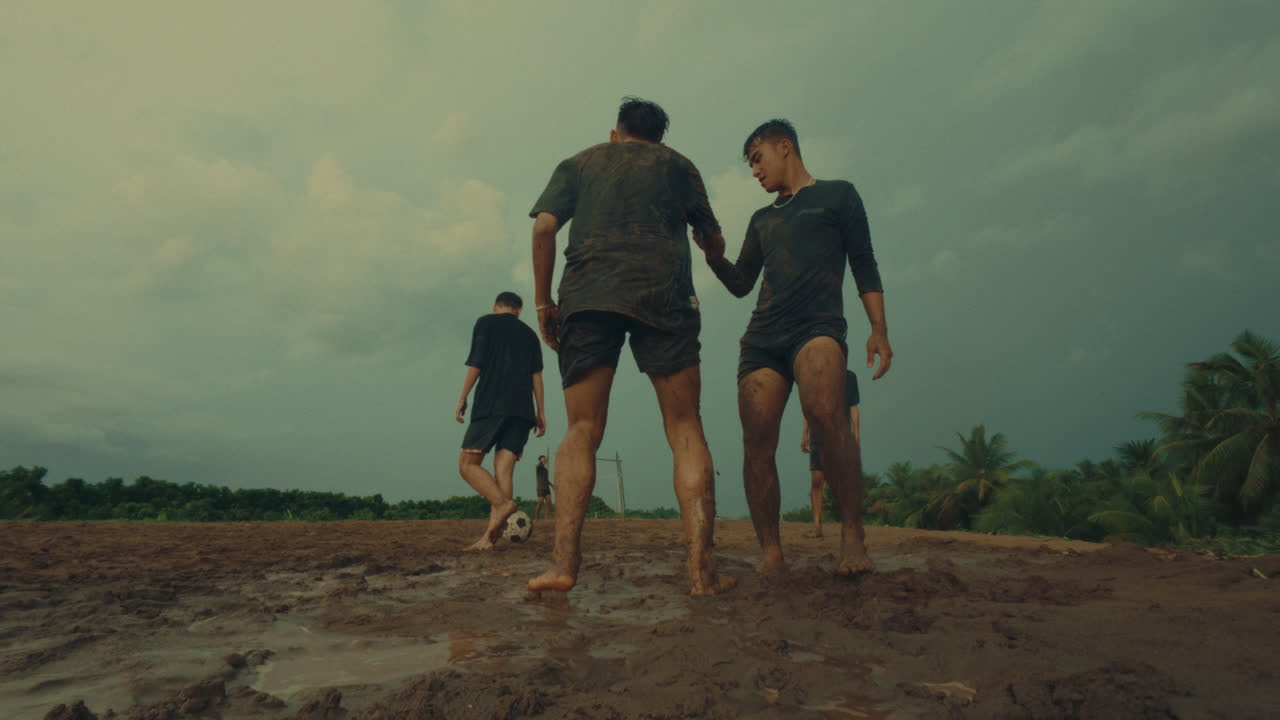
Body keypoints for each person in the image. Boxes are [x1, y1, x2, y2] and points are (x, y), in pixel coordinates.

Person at [525, 97, 735, 596]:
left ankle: (563, 565)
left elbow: (544, 227)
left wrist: (543, 303)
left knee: (582, 428)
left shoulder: (580, 162)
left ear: (615, 133)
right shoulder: (679, 166)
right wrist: (709, 247)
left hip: (588, 295)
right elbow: (714, 241)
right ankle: (702, 571)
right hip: (665, 294)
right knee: (685, 428)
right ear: (659, 138)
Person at [703, 119, 893, 576]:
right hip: (763, 339)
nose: (754, 171)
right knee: (757, 441)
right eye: (750, 165)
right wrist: (712, 256)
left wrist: (878, 328)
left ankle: (852, 535)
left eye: (757, 159)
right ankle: (771, 553)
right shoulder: (762, 219)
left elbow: (863, 262)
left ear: (784, 147)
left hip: (818, 328)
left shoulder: (839, 196)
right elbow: (742, 283)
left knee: (826, 414)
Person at [455, 291, 547, 551]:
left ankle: (503, 504)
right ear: (519, 310)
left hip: (492, 405)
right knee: (504, 470)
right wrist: (541, 411)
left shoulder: (486, 322)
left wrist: (462, 397)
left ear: (495, 307)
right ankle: (488, 539)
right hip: (523, 411)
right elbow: (536, 376)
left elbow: (476, 363)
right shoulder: (530, 334)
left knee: (467, 465)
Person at [801, 369, 861, 539]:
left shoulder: (849, 377)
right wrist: (804, 433)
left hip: (841, 434)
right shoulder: (814, 375)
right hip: (817, 433)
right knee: (817, 478)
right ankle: (817, 525)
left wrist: (856, 436)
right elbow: (809, 407)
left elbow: (854, 407)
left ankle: (849, 524)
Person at [533, 455, 554, 520]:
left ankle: (546, 518)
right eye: (543, 459)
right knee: (540, 503)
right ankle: (536, 518)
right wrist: (540, 462)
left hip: (546, 488)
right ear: (540, 460)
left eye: (545, 459)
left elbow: (546, 479)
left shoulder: (546, 470)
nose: (545, 460)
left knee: (549, 502)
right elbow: (537, 465)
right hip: (541, 488)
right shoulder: (538, 467)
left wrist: (552, 485)